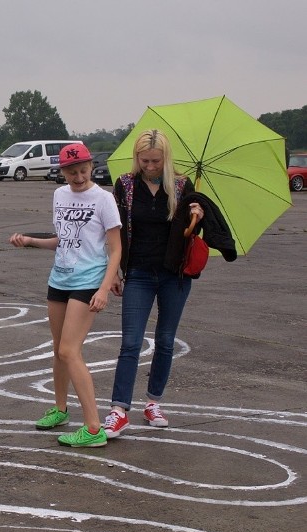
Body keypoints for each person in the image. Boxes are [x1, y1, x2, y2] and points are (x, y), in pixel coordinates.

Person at [9, 143, 122, 448]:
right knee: (58, 349)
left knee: (70, 351)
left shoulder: (104, 199)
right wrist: (31, 241)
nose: (78, 176)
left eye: (83, 170)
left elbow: (116, 248)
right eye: (72, 172)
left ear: (90, 168)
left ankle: (94, 428)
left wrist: (104, 287)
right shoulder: (59, 195)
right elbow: (65, 239)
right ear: (62, 172)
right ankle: (60, 409)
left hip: (88, 281)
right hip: (60, 278)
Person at [104, 129, 205, 438]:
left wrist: (198, 216)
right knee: (131, 343)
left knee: (164, 341)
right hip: (138, 274)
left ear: (166, 158)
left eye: (156, 161)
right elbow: (114, 229)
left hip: (174, 276)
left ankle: (153, 403)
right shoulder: (125, 185)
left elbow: (193, 235)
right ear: (137, 158)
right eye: (144, 160)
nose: (150, 166)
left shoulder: (182, 185)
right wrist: (115, 271)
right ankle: (119, 410)